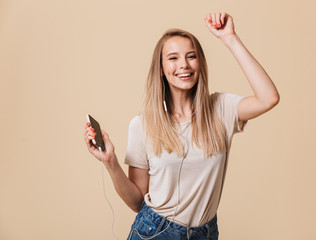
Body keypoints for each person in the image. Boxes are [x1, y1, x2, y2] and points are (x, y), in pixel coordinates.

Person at [84, 12, 279, 240]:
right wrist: (110, 163)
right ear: (161, 68)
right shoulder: (142, 125)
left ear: (200, 63)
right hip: (155, 232)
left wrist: (230, 38)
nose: (184, 65)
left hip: (205, 233)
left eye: (191, 56)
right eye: (173, 58)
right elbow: (137, 201)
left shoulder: (221, 108)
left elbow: (269, 98)